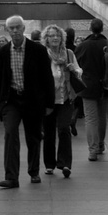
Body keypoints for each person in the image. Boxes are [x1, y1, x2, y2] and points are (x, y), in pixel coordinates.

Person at [0, 15, 54, 188]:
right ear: (7, 30)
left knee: (33, 136)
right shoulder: (2, 52)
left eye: (18, 27)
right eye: (11, 28)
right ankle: (11, 177)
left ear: (23, 28)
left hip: (33, 99)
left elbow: (47, 78)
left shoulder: (38, 50)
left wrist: (49, 103)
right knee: (10, 133)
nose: (15, 30)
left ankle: (34, 172)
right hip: (11, 99)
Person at [75, 18, 108, 161]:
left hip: (88, 86)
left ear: (90, 28)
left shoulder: (83, 46)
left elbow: (77, 66)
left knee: (90, 119)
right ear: (102, 29)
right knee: (102, 117)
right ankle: (100, 144)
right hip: (106, 85)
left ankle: (92, 150)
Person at [41, 24, 82, 179]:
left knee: (64, 128)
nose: (55, 38)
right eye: (51, 35)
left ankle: (65, 163)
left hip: (66, 97)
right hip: (49, 99)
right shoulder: (43, 54)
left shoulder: (69, 53)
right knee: (49, 131)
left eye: (57, 35)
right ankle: (49, 164)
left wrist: (73, 69)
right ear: (46, 39)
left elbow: (79, 71)